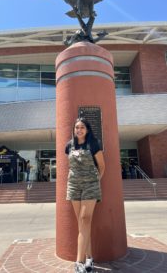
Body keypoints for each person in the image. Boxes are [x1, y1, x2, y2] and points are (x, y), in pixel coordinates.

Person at [65, 117, 105, 273]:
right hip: (74, 185)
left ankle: (79, 262)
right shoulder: (69, 146)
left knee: (85, 219)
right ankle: (89, 258)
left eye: (82, 127)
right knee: (82, 224)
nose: (79, 130)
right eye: (77, 127)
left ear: (87, 130)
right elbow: (70, 166)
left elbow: (102, 167)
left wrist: (94, 182)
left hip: (90, 186)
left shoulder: (94, 144)